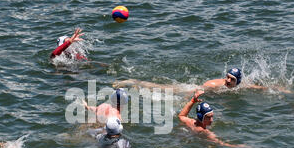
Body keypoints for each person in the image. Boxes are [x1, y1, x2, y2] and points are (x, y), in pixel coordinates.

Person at [178, 90, 247, 148]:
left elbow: (181, 116)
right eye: (208, 117)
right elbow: (221, 143)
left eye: (212, 116)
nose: (211, 120)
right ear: (200, 117)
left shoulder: (190, 122)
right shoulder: (205, 132)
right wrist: (238, 146)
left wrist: (193, 101)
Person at [113, 68, 266, 93]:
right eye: (226, 76)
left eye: (231, 79)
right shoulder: (214, 85)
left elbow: (256, 87)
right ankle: (132, 82)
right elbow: (201, 89)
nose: (226, 80)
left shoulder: (240, 86)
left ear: (237, 82)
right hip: (193, 89)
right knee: (162, 88)